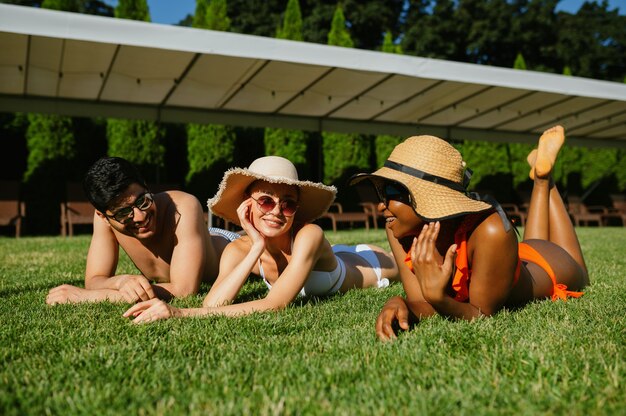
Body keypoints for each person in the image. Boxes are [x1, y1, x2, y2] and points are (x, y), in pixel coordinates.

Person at [349, 126, 589, 341]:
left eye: (392, 192)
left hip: (549, 265)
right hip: (509, 258)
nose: (381, 205)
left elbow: (482, 315)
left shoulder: (492, 231)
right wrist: (400, 303)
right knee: (530, 239)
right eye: (380, 192)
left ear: (427, 198)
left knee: (581, 273)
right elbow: (423, 301)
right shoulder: (398, 229)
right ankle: (542, 176)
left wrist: (440, 299)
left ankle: (546, 179)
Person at [123, 156, 398, 323]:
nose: (277, 211)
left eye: (288, 204)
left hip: (369, 263)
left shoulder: (309, 235)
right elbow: (214, 304)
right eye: (266, 201)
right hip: (328, 257)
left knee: (405, 262)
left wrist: (180, 313)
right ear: (247, 205)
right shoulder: (239, 249)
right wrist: (256, 246)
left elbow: (275, 305)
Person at [46, 157, 239, 305]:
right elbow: (95, 279)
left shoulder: (183, 207)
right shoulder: (103, 221)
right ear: (104, 216)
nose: (139, 216)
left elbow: (185, 290)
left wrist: (88, 297)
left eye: (141, 201)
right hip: (200, 236)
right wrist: (122, 281)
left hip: (226, 243)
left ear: (146, 186)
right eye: (123, 213)